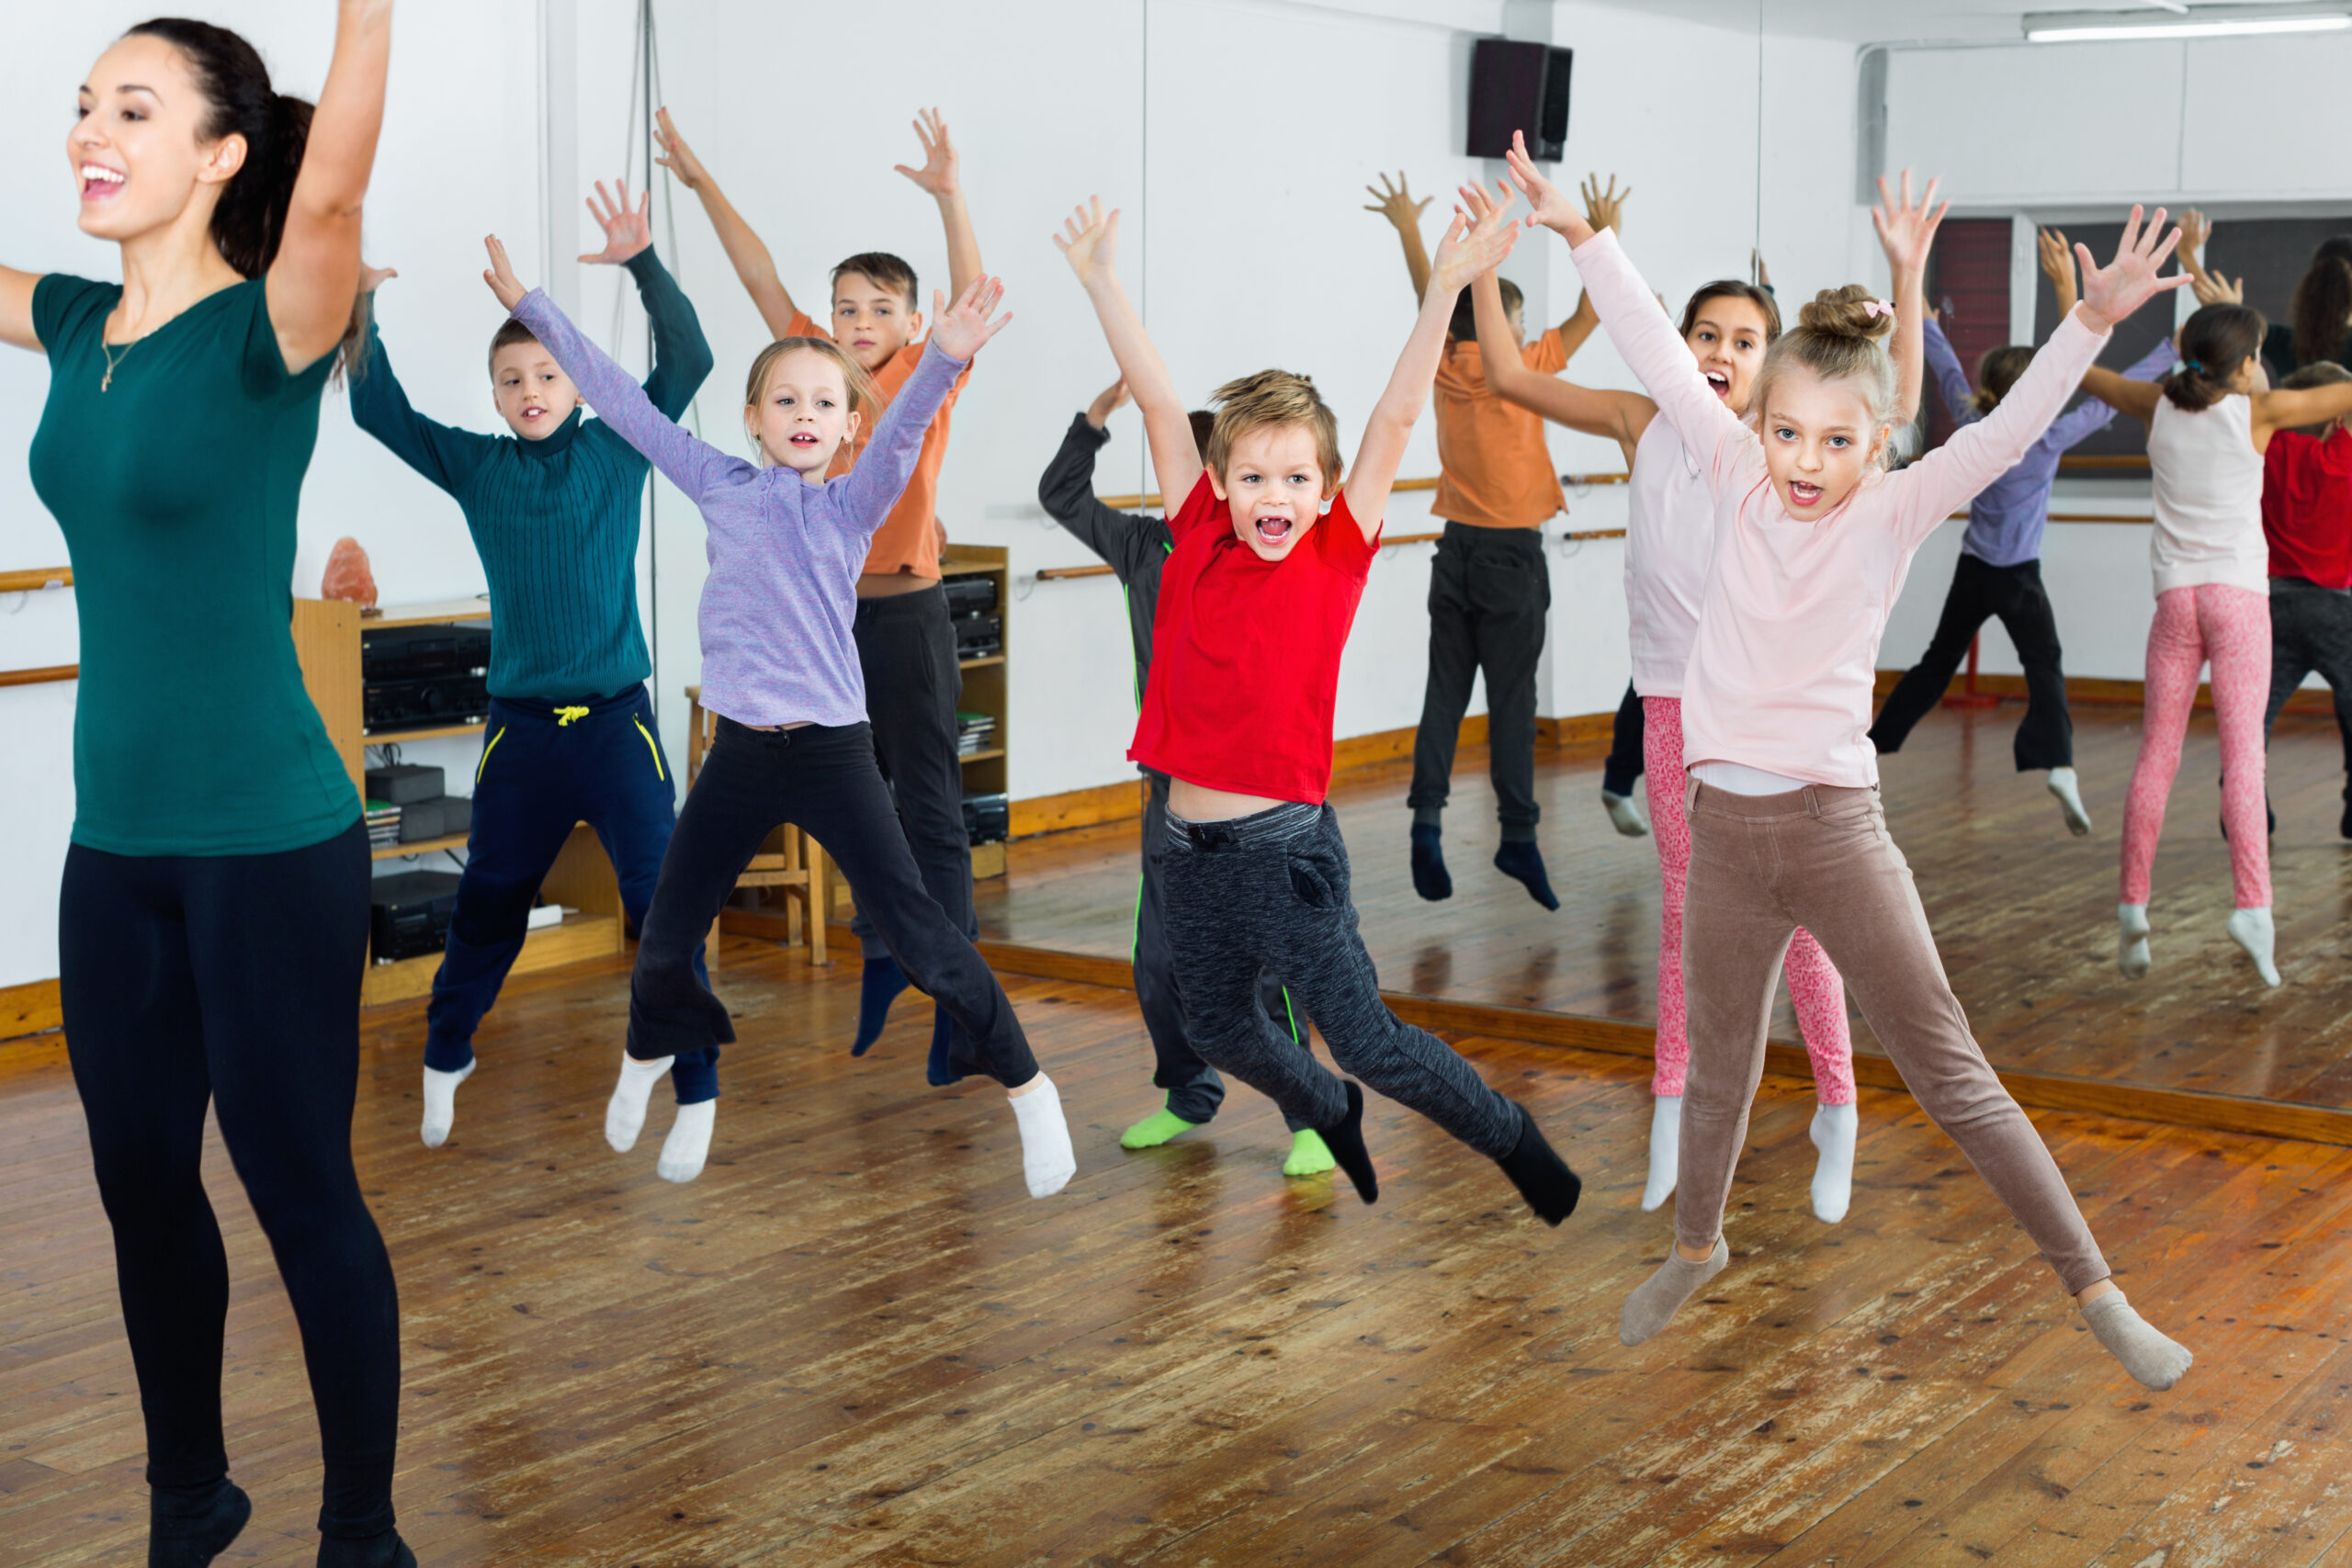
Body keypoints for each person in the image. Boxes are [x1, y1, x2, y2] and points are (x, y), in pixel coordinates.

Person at [1504, 134, 2196, 1389]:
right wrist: (1580, 235)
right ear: (1756, 422)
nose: (1804, 462)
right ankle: (1696, 1243)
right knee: (1718, 1065)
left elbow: (2004, 432)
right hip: (1724, 834)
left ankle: (2096, 1285)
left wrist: (2090, 319)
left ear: (1875, 442)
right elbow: (1659, 342)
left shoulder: (1889, 512)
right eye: (1786, 432)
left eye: (1833, 439)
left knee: (1949, 1068)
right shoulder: (1729, 470)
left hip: (1833, 831)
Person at [1, 10, 413, 1562]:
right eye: (84, 104)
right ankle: (192, 1490)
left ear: (220, 153)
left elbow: (332, 198)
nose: (92, 132)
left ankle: (363, 1530)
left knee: (300, 1186)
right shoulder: (72, 320)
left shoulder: (273, 327)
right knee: (136, 1182)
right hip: (115, 852)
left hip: (266, 841)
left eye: (136, 108)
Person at [481, 237, 1076, 1199]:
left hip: (835, 756)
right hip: (741, 755)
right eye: (786, 400)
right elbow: (624, 405)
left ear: (847, 428)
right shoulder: (719, 484)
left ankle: (1028, 1087)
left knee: (924, 935)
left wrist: (947, 356)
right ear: (753, 418)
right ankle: (658, 1067)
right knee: (667, 929)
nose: (806, 415)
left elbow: (906, 430)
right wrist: (540, 310)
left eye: (826, 403)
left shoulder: (851, 505)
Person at [1053, 189, 1582, 1222]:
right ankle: (1322, 1108)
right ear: (1217, 481)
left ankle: (1514, 1140)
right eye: (1253, 476)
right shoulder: (1197, 533)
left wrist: (1440, 287)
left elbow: (1392, 416)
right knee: (1213, 1027)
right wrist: (1101, 282)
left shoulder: (1334, 555)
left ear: (1327, 485)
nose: (1274, 496)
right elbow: (1163, 406)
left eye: (1296, 476)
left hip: (1285, 853)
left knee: (1370, 1040)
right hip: (1184, 849)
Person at [1466, 170, 1900, 1226]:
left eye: (1744, 340)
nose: (1717, 352)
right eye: (1704, 333)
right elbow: (1514, 382)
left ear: (1775, 366)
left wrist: (1900, 276)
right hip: (1670, 708)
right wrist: (1485, 272)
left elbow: (1883, 413)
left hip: (1766, 721)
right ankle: (1670, 1104)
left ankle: (1835, 1103)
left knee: (1799, 926)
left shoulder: (1776, 462)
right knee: (1681, 913)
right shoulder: (1644, 419)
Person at [348, 179, 716, 1156]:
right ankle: (446, 1052)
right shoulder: (478, 467)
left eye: (548, 375)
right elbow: (377, 412)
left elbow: (691, 357)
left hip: (614, 725)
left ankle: (696, 1079)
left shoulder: (621, 447)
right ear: (497, 396)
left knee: (660, 896)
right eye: (512, 381)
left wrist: (641, 260)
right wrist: (361, 306)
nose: (531, 393)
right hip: (518, 733)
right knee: (488, 906)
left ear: (578, 382)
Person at [655, 106, 984, 1081]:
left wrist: (949, 194)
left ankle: (961, 1010)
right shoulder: (819, 380)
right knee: (858, 810)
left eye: (880, 308)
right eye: (846, 309)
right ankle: (886, 963)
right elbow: (757, 273)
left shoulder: (931, 374)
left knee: (927, 808)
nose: (860, 324)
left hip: (909, 614)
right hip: (825, 625)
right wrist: (702, 180)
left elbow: (973, 293)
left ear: (913, 323)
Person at [1036, 381, 1335, 1176]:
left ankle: (1307, 1110)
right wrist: (1094, 416)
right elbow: (1058, 493)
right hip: (1169, 789)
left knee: (1264, 960)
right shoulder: (1144, 547)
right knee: (1160, 957)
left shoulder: (1282, 557)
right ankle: (1187, 1092)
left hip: (1260, 792)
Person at [1870, 227, 2177, 835]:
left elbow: (1946, 366)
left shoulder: (1970, 416)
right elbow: (2110, 402)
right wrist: (2169, 352)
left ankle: (1872, 747)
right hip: (2020, 576)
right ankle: (2059, 762)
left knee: (1935, 663)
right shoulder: (2046, 434)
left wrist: (1924, 315)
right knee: (2046, 665)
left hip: (1974, 569)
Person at [2084, 304, 2352, 987]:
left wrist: (2073, 304)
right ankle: (2253, 911)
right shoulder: (2256, 413)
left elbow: (2085, 372)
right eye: (2259, 354)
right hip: (2237, 602)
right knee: (2245, 757)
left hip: (2175, 603)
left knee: (2156, 757)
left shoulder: (2156, 407)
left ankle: (2132, 905)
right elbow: (2343, 393)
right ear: (2243, 365)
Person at [1364, 171, 1597, 904]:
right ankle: (1518, 838)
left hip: (1455, 550)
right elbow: (1595, 311)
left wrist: (1408, 227)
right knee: (1514, 702)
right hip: (1511, 555)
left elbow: (1430, 297)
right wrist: (1597, 222)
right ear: (1504, 326)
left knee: (1444, 695)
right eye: (1515, 320)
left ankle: (1427, 821)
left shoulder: (1443, 363)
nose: (1520, 332)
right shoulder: (1524, 365)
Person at [2256, 362, 2352, 837]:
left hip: (2271, 605)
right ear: (2337, 419)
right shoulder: (2343, 455)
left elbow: (2258, 396)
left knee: (2254, 717)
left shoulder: (2267, 447)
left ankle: (2245, 801)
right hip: (2336, 609)